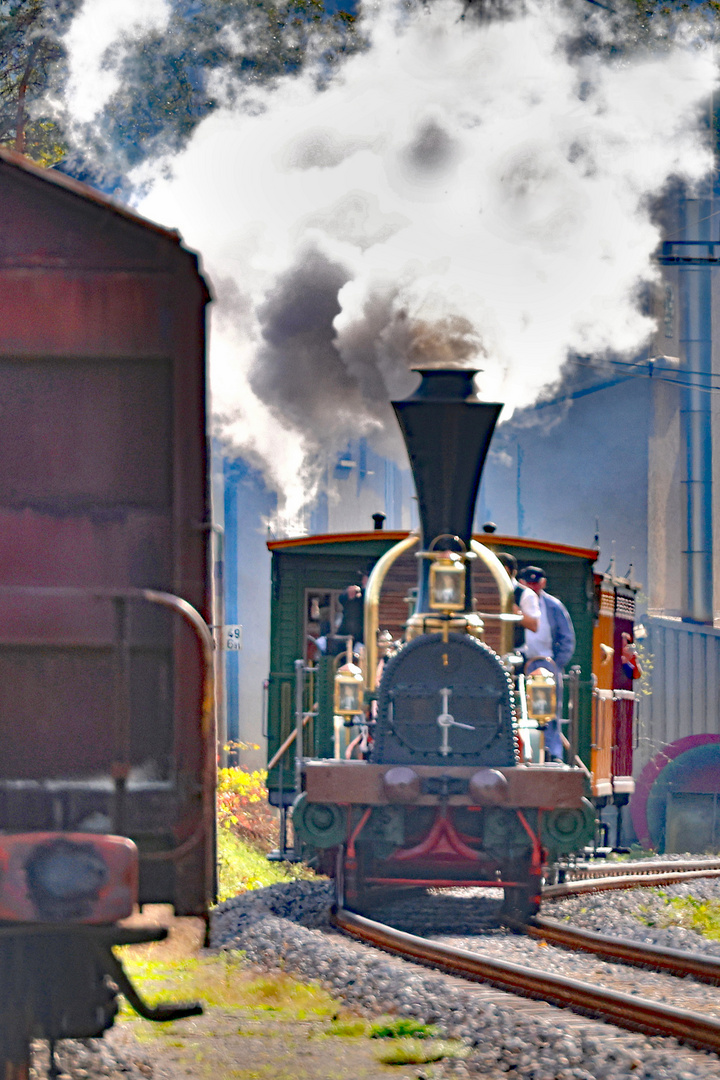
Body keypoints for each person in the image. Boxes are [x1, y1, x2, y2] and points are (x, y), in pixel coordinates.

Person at [517, 565, 576, 762]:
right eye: (529, 583)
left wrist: (556, 664)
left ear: (543, 583)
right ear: (521, 583)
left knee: (549, 711)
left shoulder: (554, 605)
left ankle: (553, 753)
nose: (533, 587)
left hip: (545, 663)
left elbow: (567, 638)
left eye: (536, 583)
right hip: (519, 662)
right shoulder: (514, 601)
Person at [497, 552, 540, 651]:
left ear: (506, 570)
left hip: (514, 652)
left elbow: (534, 625)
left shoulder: (525, 594)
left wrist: (513, 610)